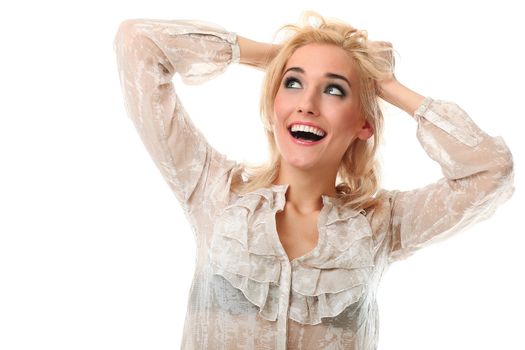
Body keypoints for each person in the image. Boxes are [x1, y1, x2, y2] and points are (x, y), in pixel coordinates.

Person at [112, 11, 514, 350]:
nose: (307, 103)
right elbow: (138, 44)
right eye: (292, 82)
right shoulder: (211, 189)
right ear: (273, 105)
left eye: (334, 90)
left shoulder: (382, 224)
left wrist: (388, 86)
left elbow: (491, 169)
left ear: (363, 123)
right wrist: (277, 56)